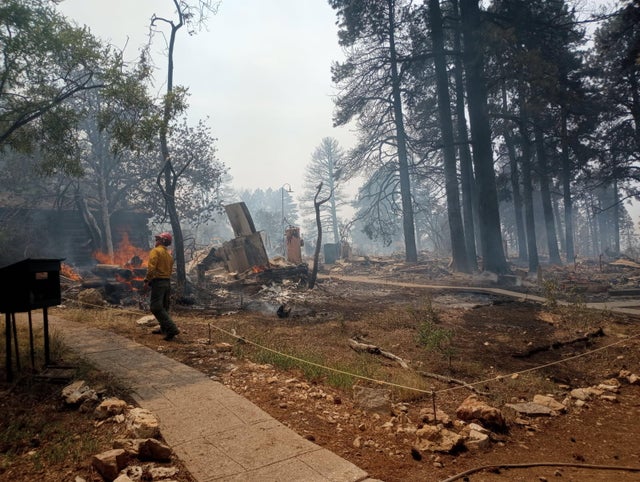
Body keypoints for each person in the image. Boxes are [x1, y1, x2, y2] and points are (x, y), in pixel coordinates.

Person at [143, 232, 180, 341]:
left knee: (155, 307)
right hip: (167, 282)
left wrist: (147, 280)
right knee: (164, 306)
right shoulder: (168, 255)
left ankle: (172, 329)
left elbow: (151, 268)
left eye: (158, 239)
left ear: (163, 241)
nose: (156, 241)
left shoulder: (155, 251)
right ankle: (164, 329)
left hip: (158, 282)